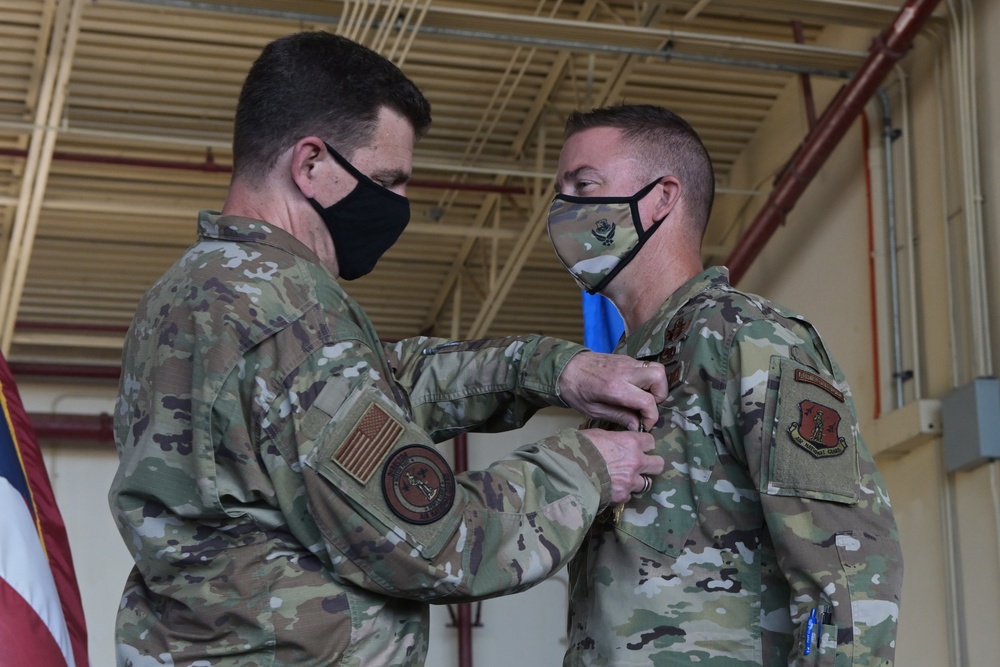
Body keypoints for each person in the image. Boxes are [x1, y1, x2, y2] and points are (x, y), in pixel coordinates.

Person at [108, 33, 668, 667]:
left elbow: (380, 384)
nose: (399, 205)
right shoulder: (287, 316)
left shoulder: (194, 290)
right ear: (310, 164)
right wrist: (587, 465)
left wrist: (546, 369)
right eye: (385, 180)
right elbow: (436, 543)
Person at [546, 104, 903, 665]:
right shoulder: (618, 376)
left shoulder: (747, 338)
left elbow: (849, 572)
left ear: (662, 197)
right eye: (560, 191)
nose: (563, 208)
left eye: (583, 184)